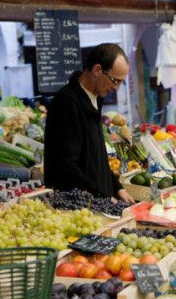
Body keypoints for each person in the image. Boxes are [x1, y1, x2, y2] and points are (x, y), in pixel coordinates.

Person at [44, 43, 132, 202]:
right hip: (76, 206)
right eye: (115, 80)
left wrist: (116, 186)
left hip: (96, 202)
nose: (116, 88)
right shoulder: (67, 103)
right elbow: (66, 167)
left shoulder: (95, 98)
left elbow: (96, 157)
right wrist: (102, 197)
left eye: (120, 82)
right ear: (97, 70)